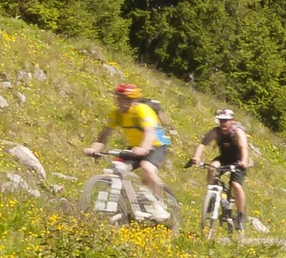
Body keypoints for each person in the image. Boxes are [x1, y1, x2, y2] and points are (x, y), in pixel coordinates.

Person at [85, 82, 172, 221]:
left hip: (156, 145)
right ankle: (128, 203)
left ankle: (159, 204)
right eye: (118, 98)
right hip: (135, 147)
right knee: (116, 169)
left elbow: (150, 131)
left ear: (132, 100)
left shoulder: (141, 110)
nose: (119, 101)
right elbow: (104, 134)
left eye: (123, 99)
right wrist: (94, 148)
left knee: (147, 167)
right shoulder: (116, 114)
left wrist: (144, 148)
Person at [187, 109, 252, 228]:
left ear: (231, 120)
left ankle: (241, 215)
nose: (223, 123)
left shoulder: (237, 131)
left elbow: (244, 147)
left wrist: (244, 161)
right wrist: (196, 156)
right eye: (221, 120)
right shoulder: (215, 132)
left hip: (238, 161)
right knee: (212, 168)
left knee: (236, 185)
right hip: (224, 158)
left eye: (226, 120)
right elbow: (203, 143)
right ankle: (211, 197)